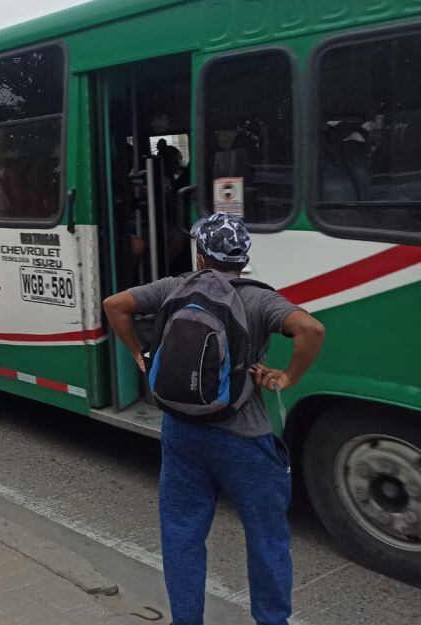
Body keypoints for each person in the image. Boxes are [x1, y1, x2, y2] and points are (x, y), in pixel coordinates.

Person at [103, 213, 326, 625]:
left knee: (182, 534)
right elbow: (310, 329)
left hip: (182, 433)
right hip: (245, 439)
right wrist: (288, 376)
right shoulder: (260, 299)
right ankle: (271, 620)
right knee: (267, 539)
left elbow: (115, 306)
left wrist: (140, 354)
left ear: (201, 256)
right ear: (243, 257)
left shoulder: (176, 286)